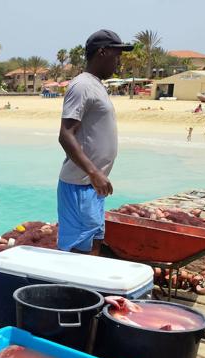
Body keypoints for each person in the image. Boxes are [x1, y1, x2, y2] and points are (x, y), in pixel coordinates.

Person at [57, 30, 133, 255]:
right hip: (80, 185)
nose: (118, 62)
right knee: (79, 252)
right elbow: (65, 135)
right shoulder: (81, 86)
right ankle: (70, 291)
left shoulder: (96, 84)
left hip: (92, 186)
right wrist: (93, 172)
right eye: (116, 55)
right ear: (102, 52)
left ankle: (87, 291)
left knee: (94, 244)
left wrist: (97, 177)